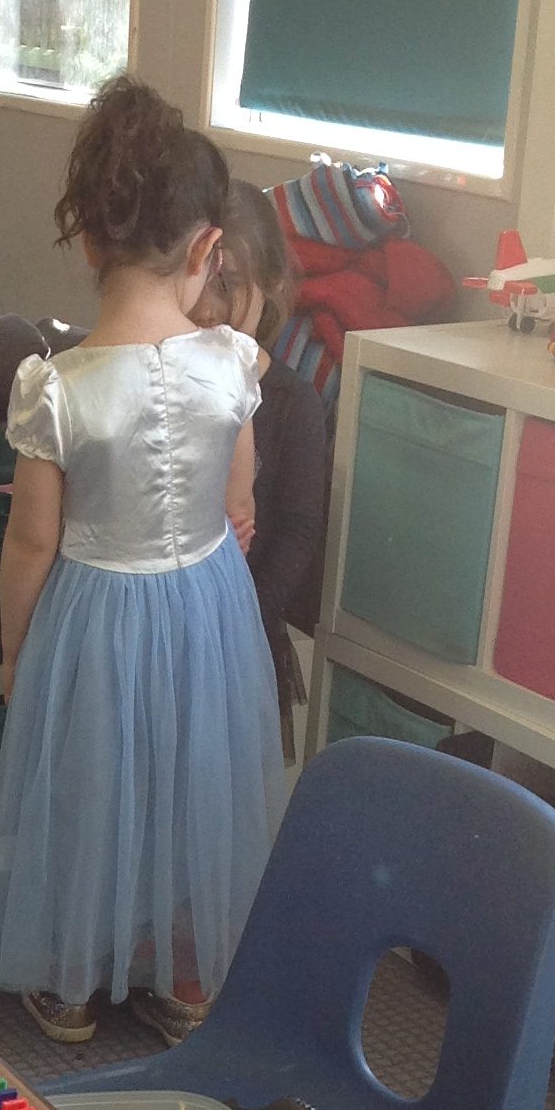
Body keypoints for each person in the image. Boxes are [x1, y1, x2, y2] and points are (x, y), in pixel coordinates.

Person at [0, 77, 284, 1047]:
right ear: (206, 249)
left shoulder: (54, 387)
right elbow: (239, 496)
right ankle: (186, 980)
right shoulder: (232, 360)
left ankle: (70, 984)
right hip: (206, 608)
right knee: (195, 788)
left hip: (95, 613)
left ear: (89, 242)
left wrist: (17, 653)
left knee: (91, 788)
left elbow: (33, 540)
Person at [196, 180, 328, 763]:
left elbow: (298, 534)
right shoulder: (158, 379)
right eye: (199, 280)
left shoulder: (292, 403)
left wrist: (240, 618)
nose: (207, 308)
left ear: (269, 284)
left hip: (244, 638)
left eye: (228, 286)